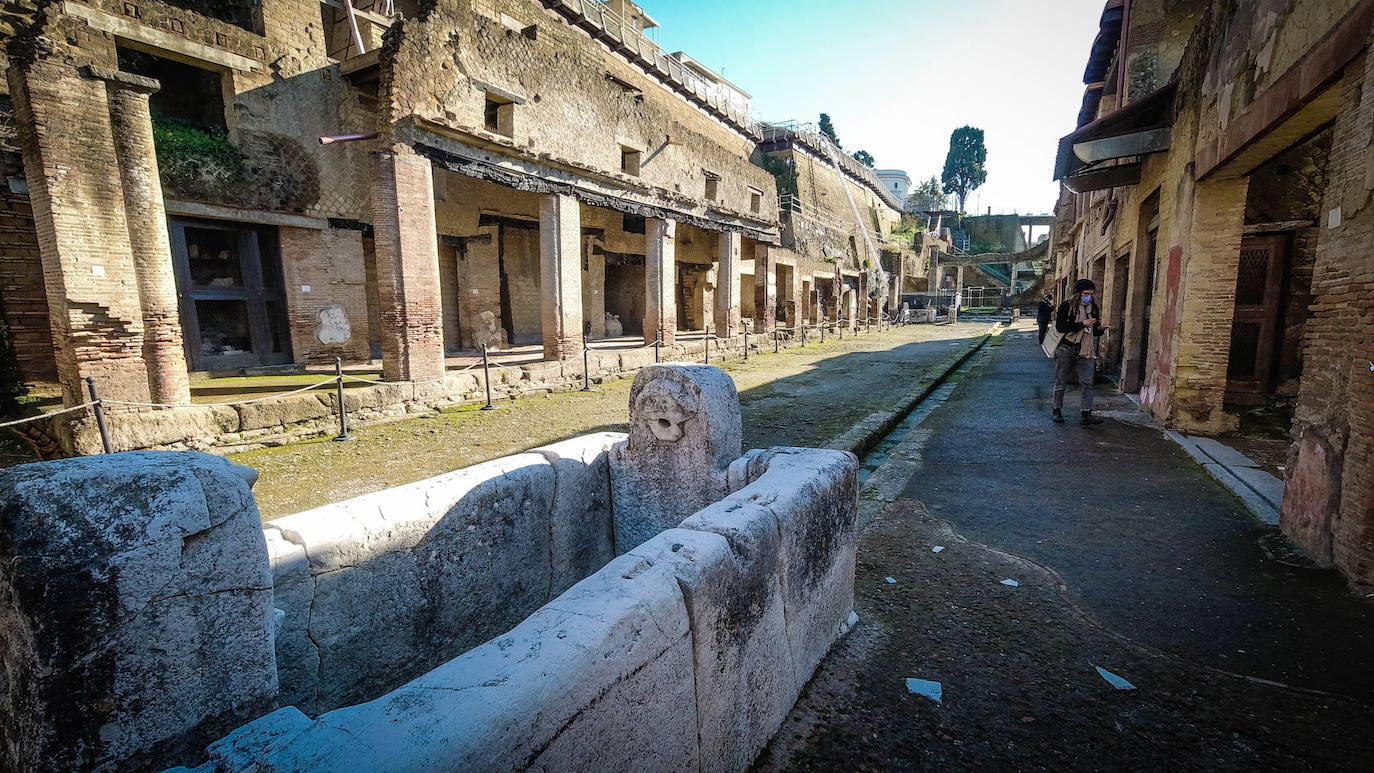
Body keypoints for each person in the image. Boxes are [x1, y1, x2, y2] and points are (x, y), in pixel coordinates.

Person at [1053, 278, 1106, 425]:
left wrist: (1099, 329)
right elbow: (1061, 327)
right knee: (1061, 380)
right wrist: (1081, 324)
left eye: (1091, 294)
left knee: (1088, 383)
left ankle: (1086, 414)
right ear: (1078, 293)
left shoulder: (1093, 307)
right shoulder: (1066, 306)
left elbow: (1093, 331)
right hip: (1067, 348)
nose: (1088, 296)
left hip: (1086, 350)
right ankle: (1057, 410)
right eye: (1086, 293)